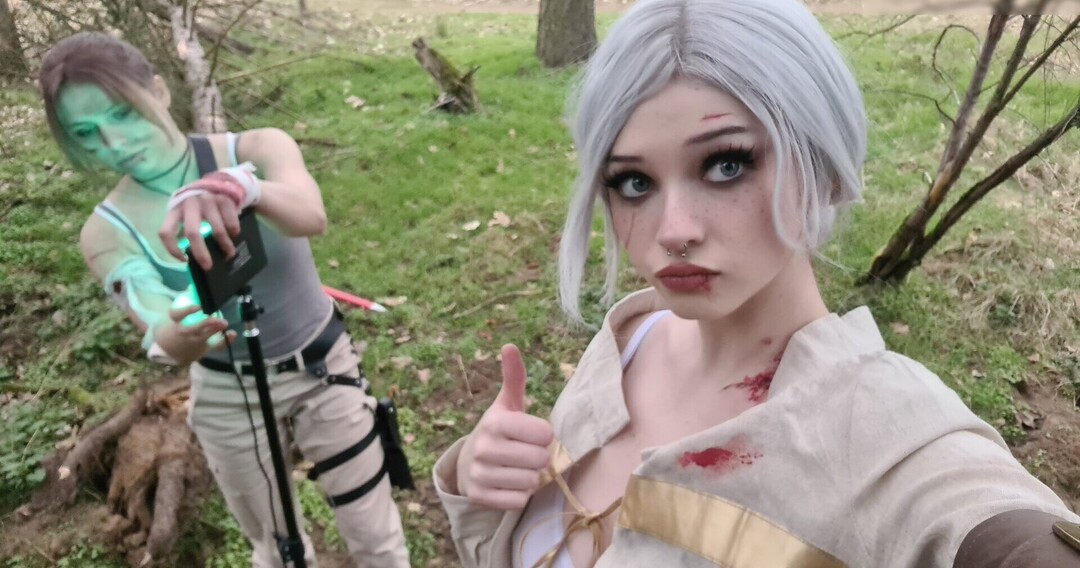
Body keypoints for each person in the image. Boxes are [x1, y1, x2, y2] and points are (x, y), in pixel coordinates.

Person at [432, 0, 1080, 566]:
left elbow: (985, 519)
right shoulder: (625, 344)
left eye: (725, 165)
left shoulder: (885, 434)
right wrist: (475, 474)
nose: (673, 230)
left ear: (826, 168)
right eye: (633, 181)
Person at [38, 32, 409, 568]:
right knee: (276, 551)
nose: (113, 142)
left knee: (377, 539)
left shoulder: (256, 148)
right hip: (228, 396)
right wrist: (182, 328)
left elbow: (310, 215)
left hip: (324, 366)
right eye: (86, 133)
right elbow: (159, 333)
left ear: (159, 91)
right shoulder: (105, 232)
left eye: (122, 113)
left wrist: (244, 188)